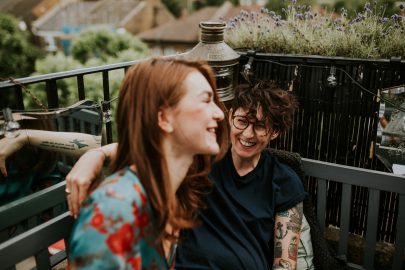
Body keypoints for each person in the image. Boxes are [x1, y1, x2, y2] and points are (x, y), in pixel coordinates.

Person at [65, 80, 310, 269]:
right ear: (230, 115)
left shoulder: (284, 181)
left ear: (274, 132)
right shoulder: (203, 156)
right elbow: (144, 151)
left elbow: (285, 263)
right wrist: (93, 157)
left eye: (260, 126)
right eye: (242, 121)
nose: (247, 134)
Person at [67, 57, 228, 269]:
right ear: (164, 118)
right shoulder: (114, 210)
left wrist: (97, 154)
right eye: (206, 100)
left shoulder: (169, 192)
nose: (219, 113)